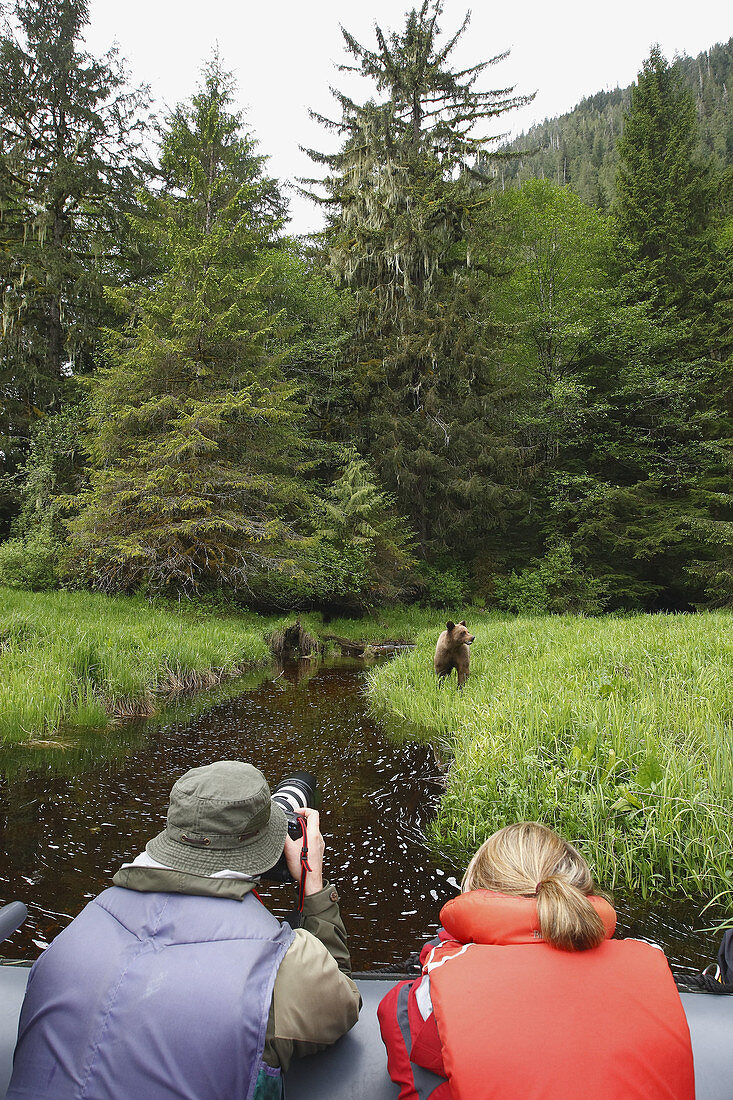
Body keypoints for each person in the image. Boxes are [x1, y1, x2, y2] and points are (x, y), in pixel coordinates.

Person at [7, 760, 360, 1100]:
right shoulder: (280, 964)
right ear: (265, 849)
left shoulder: (75, 931)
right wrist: (312, 886)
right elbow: (340, 998)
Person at [378, 822, 695, 1100]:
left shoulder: (419, 1000)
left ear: (475, 892)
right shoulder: (651, 962)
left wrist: (448, 950)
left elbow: (403, 1029)